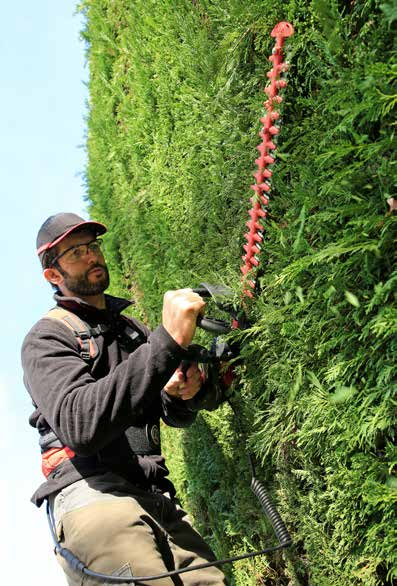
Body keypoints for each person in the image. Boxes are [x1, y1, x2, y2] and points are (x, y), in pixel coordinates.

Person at [21, 212, 228, 585]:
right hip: (92, 497)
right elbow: (81, 426)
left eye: (94, 246)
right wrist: (166, 342)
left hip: (154, 495)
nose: (92, 256)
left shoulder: (130, 332)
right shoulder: (47, 338)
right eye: (76, 252)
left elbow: (166, 413)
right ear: (53, 275)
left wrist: (181, 391)